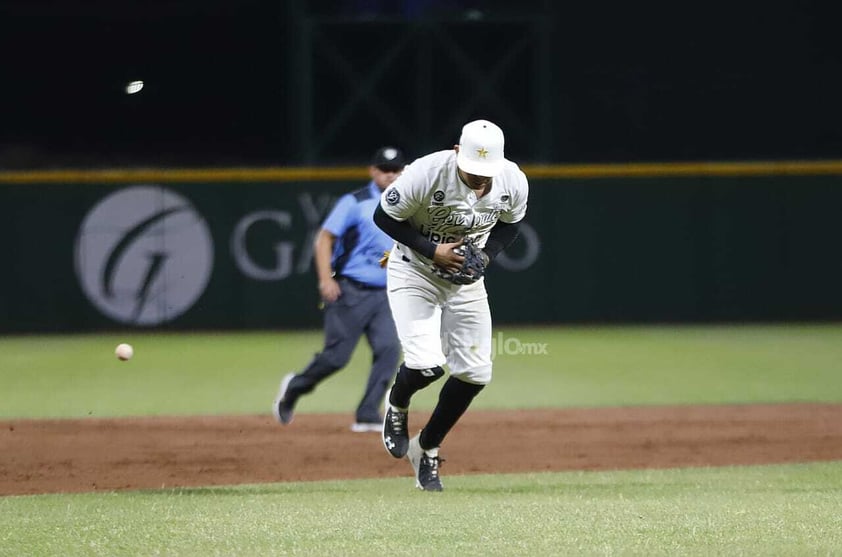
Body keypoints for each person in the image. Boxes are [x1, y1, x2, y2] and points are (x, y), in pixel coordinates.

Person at [373, 119, 528, 490]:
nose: (480, 178)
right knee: (426, 366)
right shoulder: (426, 173)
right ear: (457, 153)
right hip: (415, 272)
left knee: (476, 374)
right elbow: (383, 216)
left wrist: (487, 257)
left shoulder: (513, 180)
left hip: (465, 282)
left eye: (486, 171)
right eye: (473, 170)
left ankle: (425, 448)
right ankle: (397, 404)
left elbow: (511, 224)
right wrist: (432, 250)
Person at [273, 147, 406, 432]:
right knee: (337, 357)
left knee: (389, 350)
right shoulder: (354, 202)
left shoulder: (408, 204)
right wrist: (325, 279)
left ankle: (368, 413)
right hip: (351, 290)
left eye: (396, 170)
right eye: (385, 170)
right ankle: (294, 387)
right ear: (373, 171)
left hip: (387, 294)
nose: (391, 176)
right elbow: (324, 239)